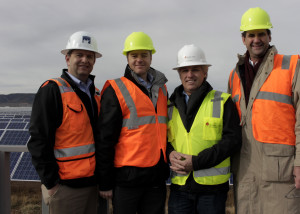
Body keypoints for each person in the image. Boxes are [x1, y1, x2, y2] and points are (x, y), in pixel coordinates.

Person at [228, 7, 300, 214]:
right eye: (251, 35)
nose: (256, 40)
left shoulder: (292, 66)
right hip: (245, 171)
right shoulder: (235, 75)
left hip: (282, 173)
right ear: (243, 39)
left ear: (269, 36)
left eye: (261, 34)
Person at [95, 31, 169, 214]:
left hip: (156, 178)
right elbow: (105, 139)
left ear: (151, 57)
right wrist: (105, 182)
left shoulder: (162, 89)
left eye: (144, 55)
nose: (139, 60)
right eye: (134, 55)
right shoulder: (116, 88)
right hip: (127, 179)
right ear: (127, 58)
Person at [28, 31, 102, 214]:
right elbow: (38, 140)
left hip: (93, 185)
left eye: (89, 56)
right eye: (79, 55)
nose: (85, 60)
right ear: (67, 59)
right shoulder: (52, 90)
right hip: (65, 188)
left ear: (94, 61)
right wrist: (51, 183)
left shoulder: (97, 94)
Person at [167, 44, 242, 214]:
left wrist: (196, 162)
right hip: (180, 188)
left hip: (212, 191)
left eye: (195, 69)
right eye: (185, 70)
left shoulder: (222, 101)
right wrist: (169, 153)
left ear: (205, 72)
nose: (190, 75)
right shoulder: (169, 106)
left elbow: (232, 141)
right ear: (179, 74)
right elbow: (163, 141)